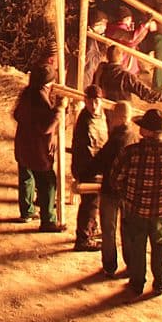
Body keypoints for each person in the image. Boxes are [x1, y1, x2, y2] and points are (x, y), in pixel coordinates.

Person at [112, 107, 162, 297]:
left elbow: (116, 178)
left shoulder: (130, 152)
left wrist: (125, 193)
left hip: (136, 208)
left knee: (137, 245)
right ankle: (160, 283)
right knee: (159, 243)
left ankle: (137, 284)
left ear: (144, 131)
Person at [13, 53, 64, 232]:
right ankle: (48, 221)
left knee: (27, 178)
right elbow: (46, 127)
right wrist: (59, 109)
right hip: (37, 151)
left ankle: (27, 212)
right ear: (47, 83)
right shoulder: (40, 99)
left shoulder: (27, 94)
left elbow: (17, 115)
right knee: (48, 183)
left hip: (23, 146)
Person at [91, 100, 139, 277]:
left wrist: (84, 172)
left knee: (108, 230)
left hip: (111, 191)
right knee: (128, 230)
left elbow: (100, 162)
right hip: (129, 192)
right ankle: (131, 265)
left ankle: (109, 266)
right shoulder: (134, 136)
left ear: (119, 117)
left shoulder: (116, 140)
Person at [70, 85, 108, 251]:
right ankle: (83, 239)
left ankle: (91, 229)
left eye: (96, 101)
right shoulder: (85, 121)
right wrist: (92, 171)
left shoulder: (101, 115)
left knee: (94, 203)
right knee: (89, 204)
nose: (93, 105)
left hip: (97, 165)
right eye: (90, 101)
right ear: (85, 101)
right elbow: (86, 151)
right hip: (88, 168)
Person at [95, 44, 162, 104]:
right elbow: (145, 93)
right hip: (122, 110)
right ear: (121, 57)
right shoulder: (126, 76)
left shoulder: (101, 70)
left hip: (105, 107)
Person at [109, 9, 153, 77]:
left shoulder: (114, 28)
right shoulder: (116, 29)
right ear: (127, 19)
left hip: (125, 67)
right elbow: (132, 40)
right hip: (123, 67)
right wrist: (145, 25)